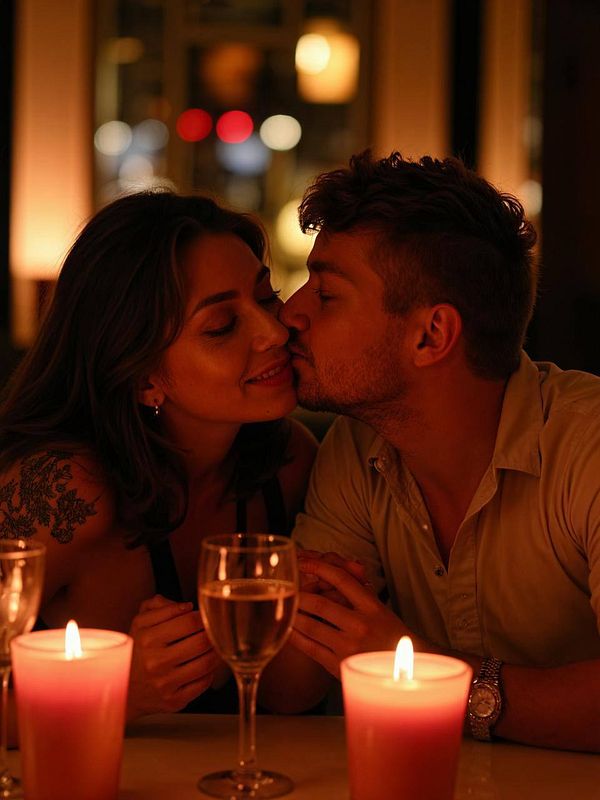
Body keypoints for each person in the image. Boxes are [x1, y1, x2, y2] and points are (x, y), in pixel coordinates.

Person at [260, 151, 600, 753]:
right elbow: (293, 687)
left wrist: (419, 672)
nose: (292, 313)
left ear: (430, 335)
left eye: (328, 293)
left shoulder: (586, 444)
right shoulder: (358, 445)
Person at [0, 190, 317, 720]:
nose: (274, 330)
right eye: (221, 327)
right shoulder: (67, 491)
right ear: (143, 376)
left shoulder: (287, 463)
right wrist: (112, 695)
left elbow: (290, 699)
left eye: (266, 297)